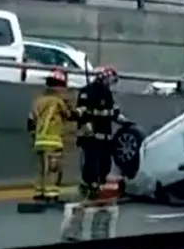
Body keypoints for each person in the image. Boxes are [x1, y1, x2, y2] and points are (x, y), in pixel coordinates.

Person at [75, 66, 128, 200]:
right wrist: (86, 125)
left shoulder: (107, 94)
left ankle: (100, 182)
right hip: (91, 134)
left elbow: (114, 111)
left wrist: (124, 121)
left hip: (105, 135)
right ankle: (91, 185)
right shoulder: (86, 92)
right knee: (92, 161)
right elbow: (81, 112)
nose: (110, 84)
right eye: (110, 81)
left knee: (105, 163)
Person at [27, 68, 72, 203]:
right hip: (53, 141)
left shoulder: (38, 101)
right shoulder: (58, 102)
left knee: (41, 168)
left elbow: (30, 120)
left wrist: (33, 137)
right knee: (54, 169)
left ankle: (39, 192)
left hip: (39, 141)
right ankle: (51, 194)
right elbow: (69, 115)